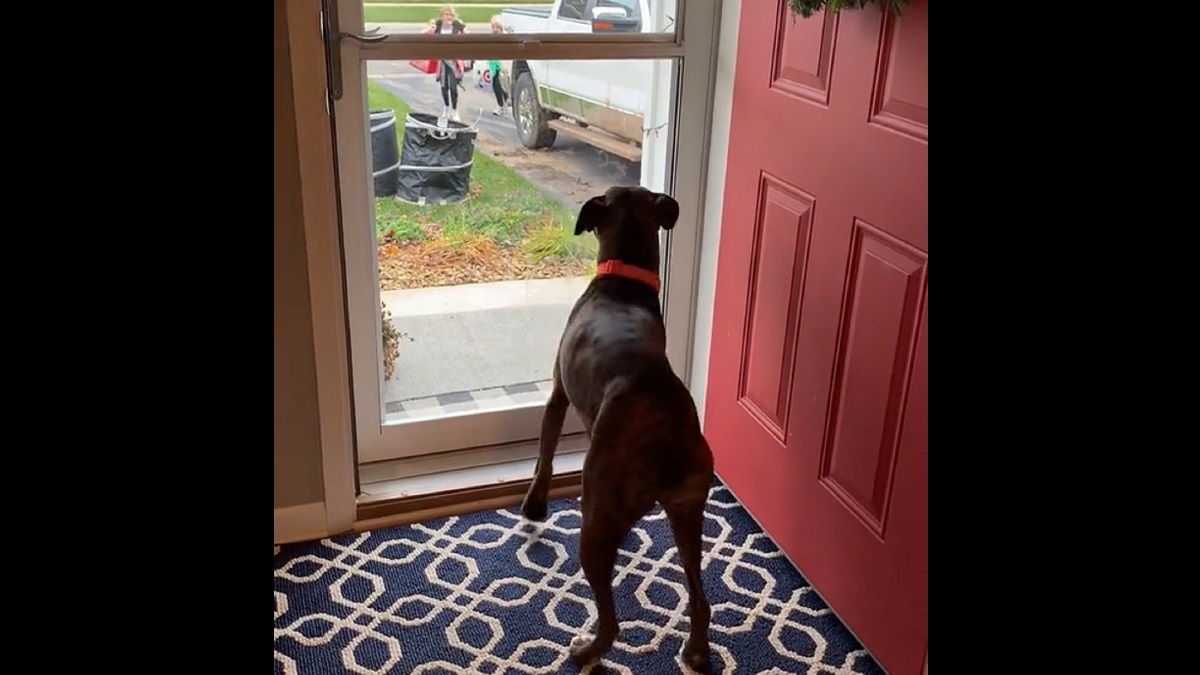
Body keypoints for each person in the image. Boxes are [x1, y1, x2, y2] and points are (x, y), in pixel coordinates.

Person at [422, 6, 468, 123]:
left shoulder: (457, 27)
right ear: (442, 16)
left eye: (451, 15)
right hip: (442, 62)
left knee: (453, 87)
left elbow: (467, 37)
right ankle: (446, 107)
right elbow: (423, 35)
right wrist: (429, 29)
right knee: (444, 86)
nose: (449, 17)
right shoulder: (437, 27)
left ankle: (455, 110)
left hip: (453, 61)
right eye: (446, 15)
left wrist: (465, 30)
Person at [487, 16, 510, 116]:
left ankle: (505, 103)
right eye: (493, 27)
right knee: (496, 84)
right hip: (494, 62)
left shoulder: (506, 37)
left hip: (504, 63)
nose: (495, 29)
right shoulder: (491, 37)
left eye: (497, 27)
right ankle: (500, 105)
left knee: (504, 84)